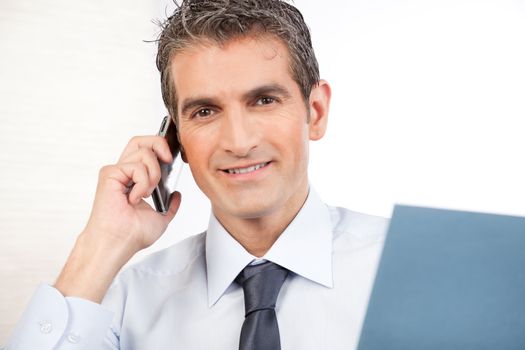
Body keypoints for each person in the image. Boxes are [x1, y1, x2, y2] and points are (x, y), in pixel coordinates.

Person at [5, 0, 387, 349]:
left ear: (315, 112)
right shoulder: (124, 303)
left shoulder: (413, 267)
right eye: (205, 111)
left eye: (264, 100)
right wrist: (99, 246)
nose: (238, 141)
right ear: (177, 141)